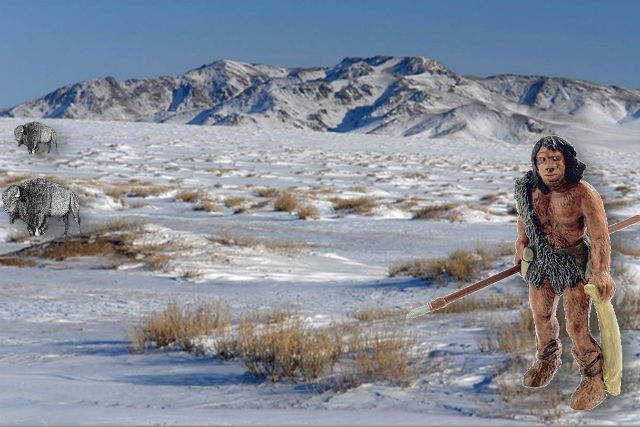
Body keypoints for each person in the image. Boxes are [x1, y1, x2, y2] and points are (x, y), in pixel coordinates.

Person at [513, 135, 615, 411]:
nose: (548, 166)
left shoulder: (584, 193)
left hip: (572, 263)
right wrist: (521, 246)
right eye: (542, 160)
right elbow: (524, 219)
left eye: (555, 159)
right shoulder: (529, 191)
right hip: (541, 262)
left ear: (567, 161)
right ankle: (547, 360)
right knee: (541, 316)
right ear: (535, 164)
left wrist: (602, 271)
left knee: (576, 325)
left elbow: (599, 237)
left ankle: (593, 377)